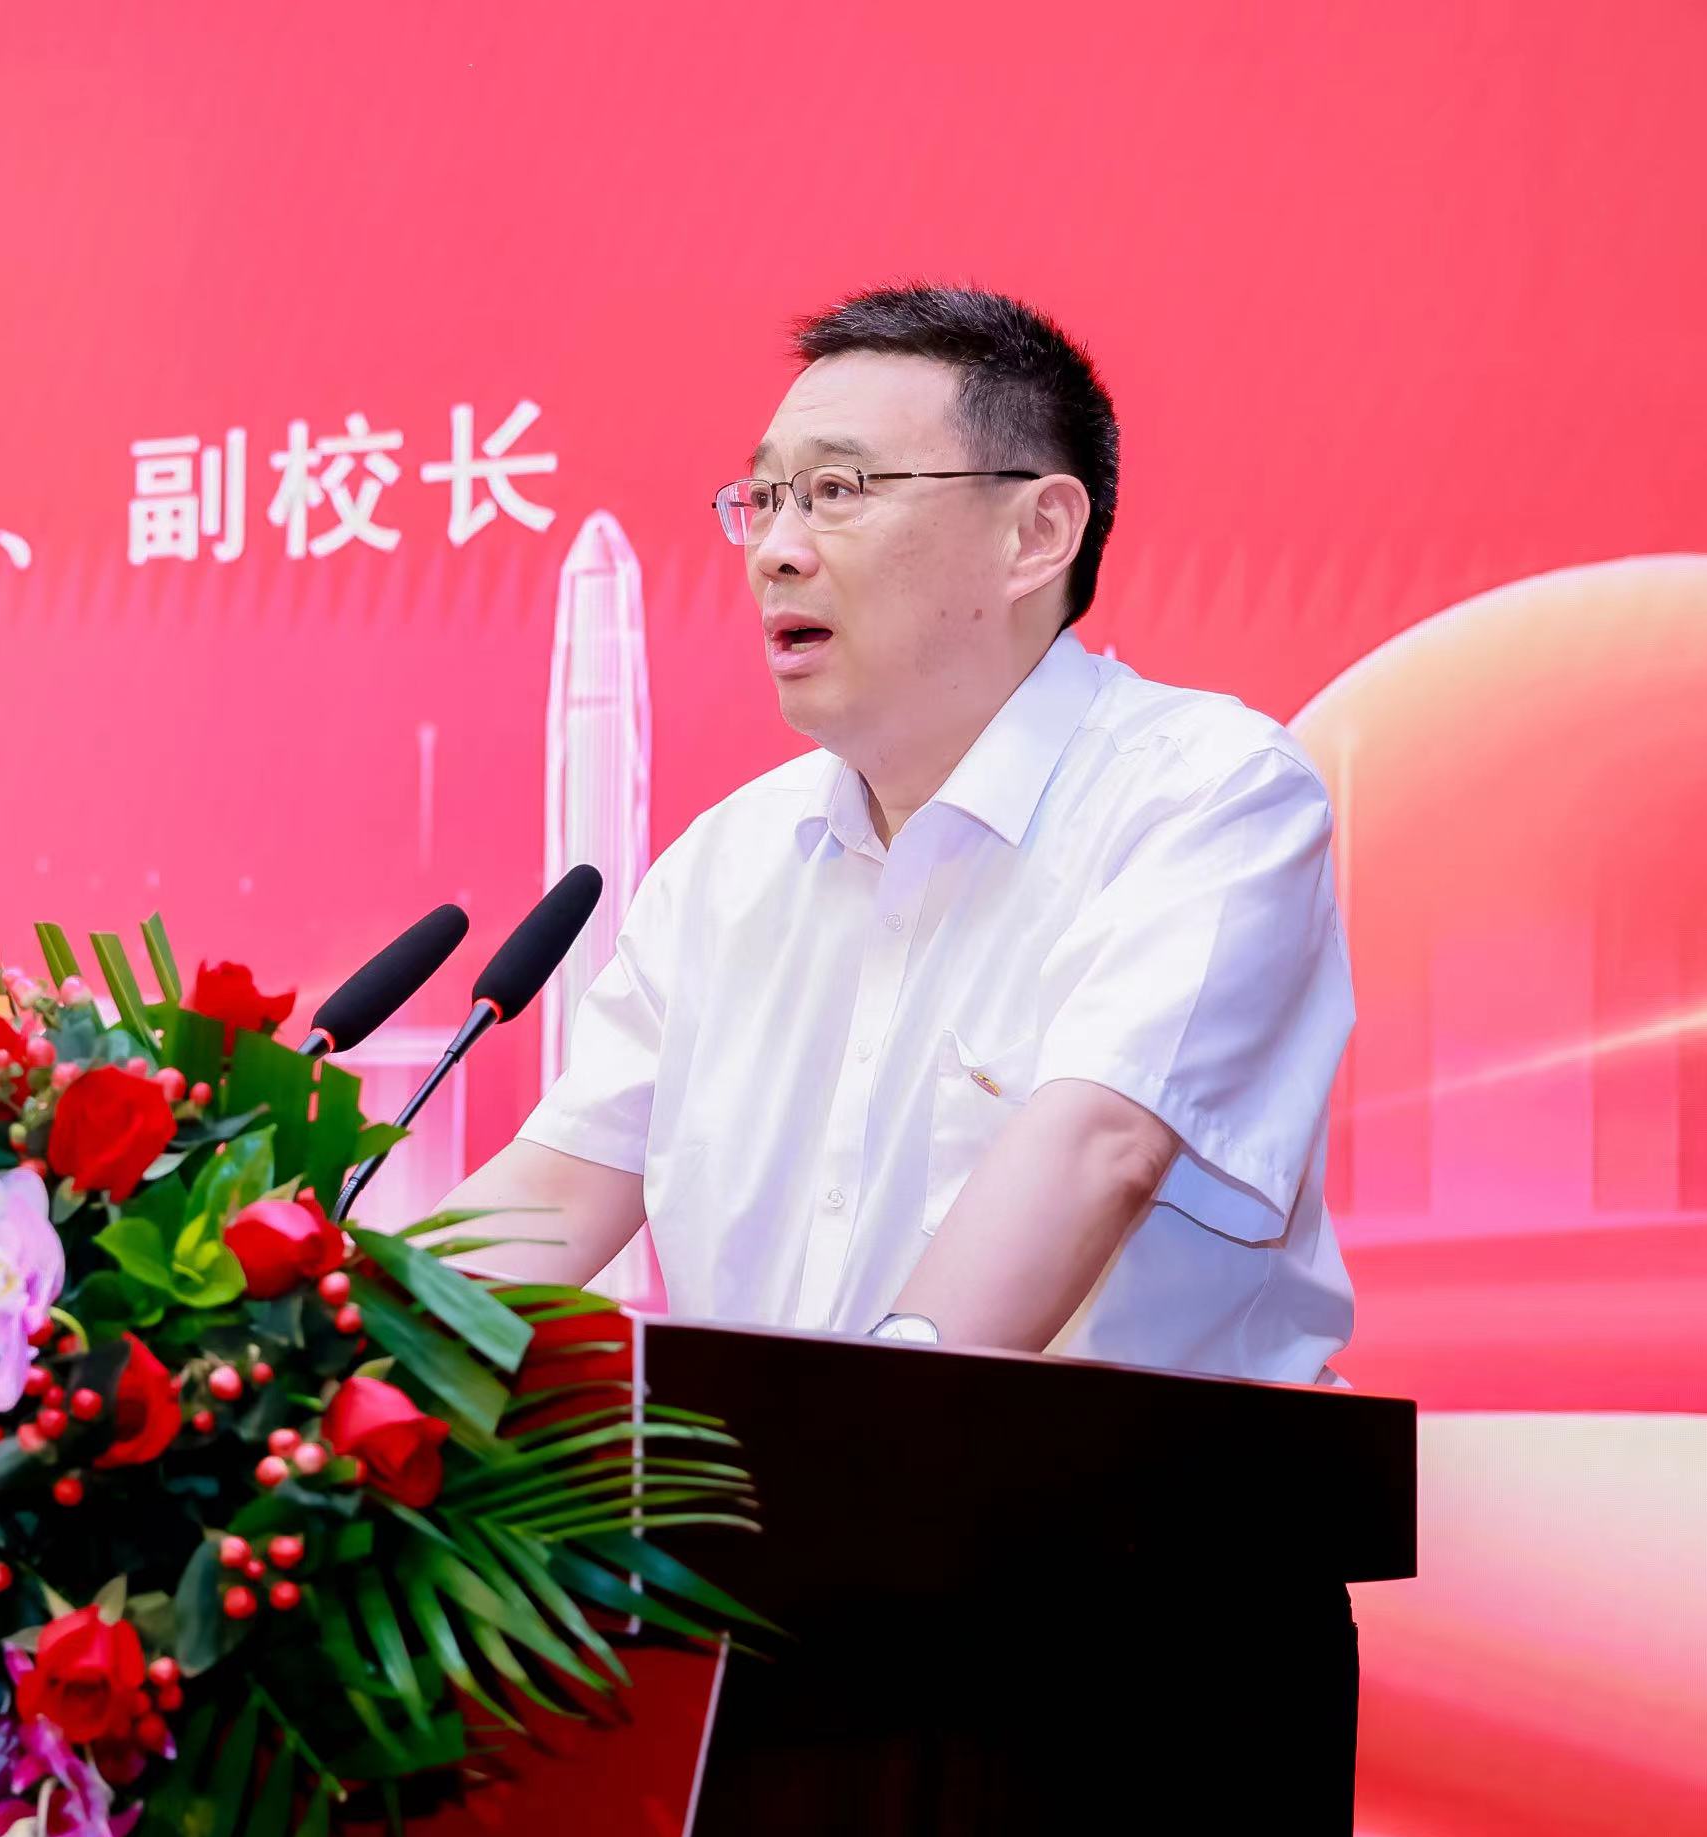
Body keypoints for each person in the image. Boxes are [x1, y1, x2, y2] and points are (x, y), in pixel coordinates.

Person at [445, 286, 1353, 1383]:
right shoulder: (725, 864)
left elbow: (1100, 1147)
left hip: (1129, 1497)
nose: (776, 550)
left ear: (1036, 534)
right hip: (774, 1495)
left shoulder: (1208, 793)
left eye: (837, 491)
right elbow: (556, 1192)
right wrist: (325, 1350)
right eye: (764, 498)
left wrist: (859, 1431)